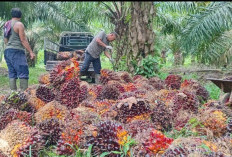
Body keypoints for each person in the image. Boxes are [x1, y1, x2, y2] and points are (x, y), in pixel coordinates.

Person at [3, 8, 35, 92]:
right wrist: (31, 52)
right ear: (20, 16)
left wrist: (10, 46)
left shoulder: (7, 24)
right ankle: (24, 93)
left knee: (12, 72)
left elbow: (5, 40)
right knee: (23, 70)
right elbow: (23, 39)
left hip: (7, 51)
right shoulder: (19, 24)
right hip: (17, 50)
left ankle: (13, 93)